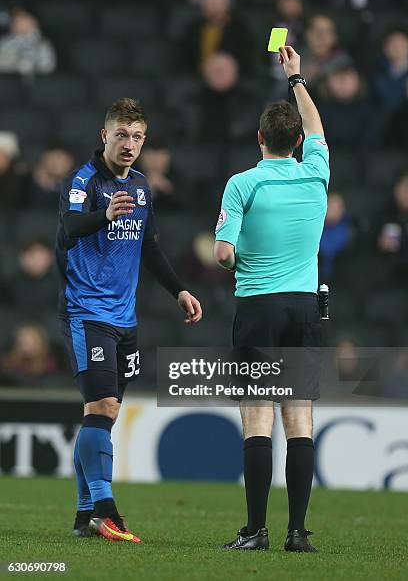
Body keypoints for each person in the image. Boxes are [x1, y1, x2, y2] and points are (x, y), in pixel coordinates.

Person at [56, 97, 202, 543]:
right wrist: (105, 215)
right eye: (122, 134)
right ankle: (107, 510)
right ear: (105, 135)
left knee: (105, 413)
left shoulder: (140, 186)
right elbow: (69, 226)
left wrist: (179, 289)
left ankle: (84, 516)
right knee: (101, 407)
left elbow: (150, 246)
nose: (130, 144)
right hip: (87, 313)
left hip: (125, 318)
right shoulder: (83, 181)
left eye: (138, 136)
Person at [214, 46, 330, 552]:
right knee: (299, 419)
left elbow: (221, 254)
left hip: (258, 309)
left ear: (259, 138)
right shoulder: (316, 173)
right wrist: (296, 78)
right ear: (299, 141)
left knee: (257, 419)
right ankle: (297, 532)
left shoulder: (242, 184)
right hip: (305, 307)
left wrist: (244, 262)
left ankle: (255, 530)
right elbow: (319, 128)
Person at [0, 8, 56, 76]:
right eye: (16, 21)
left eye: (24, 19)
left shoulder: (42, 44)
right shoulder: (5, 43)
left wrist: (29, 65)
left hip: (39, 81)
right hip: (10, 80)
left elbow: (47, 66)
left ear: (34, 22)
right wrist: (18, 64)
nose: (20, 23)